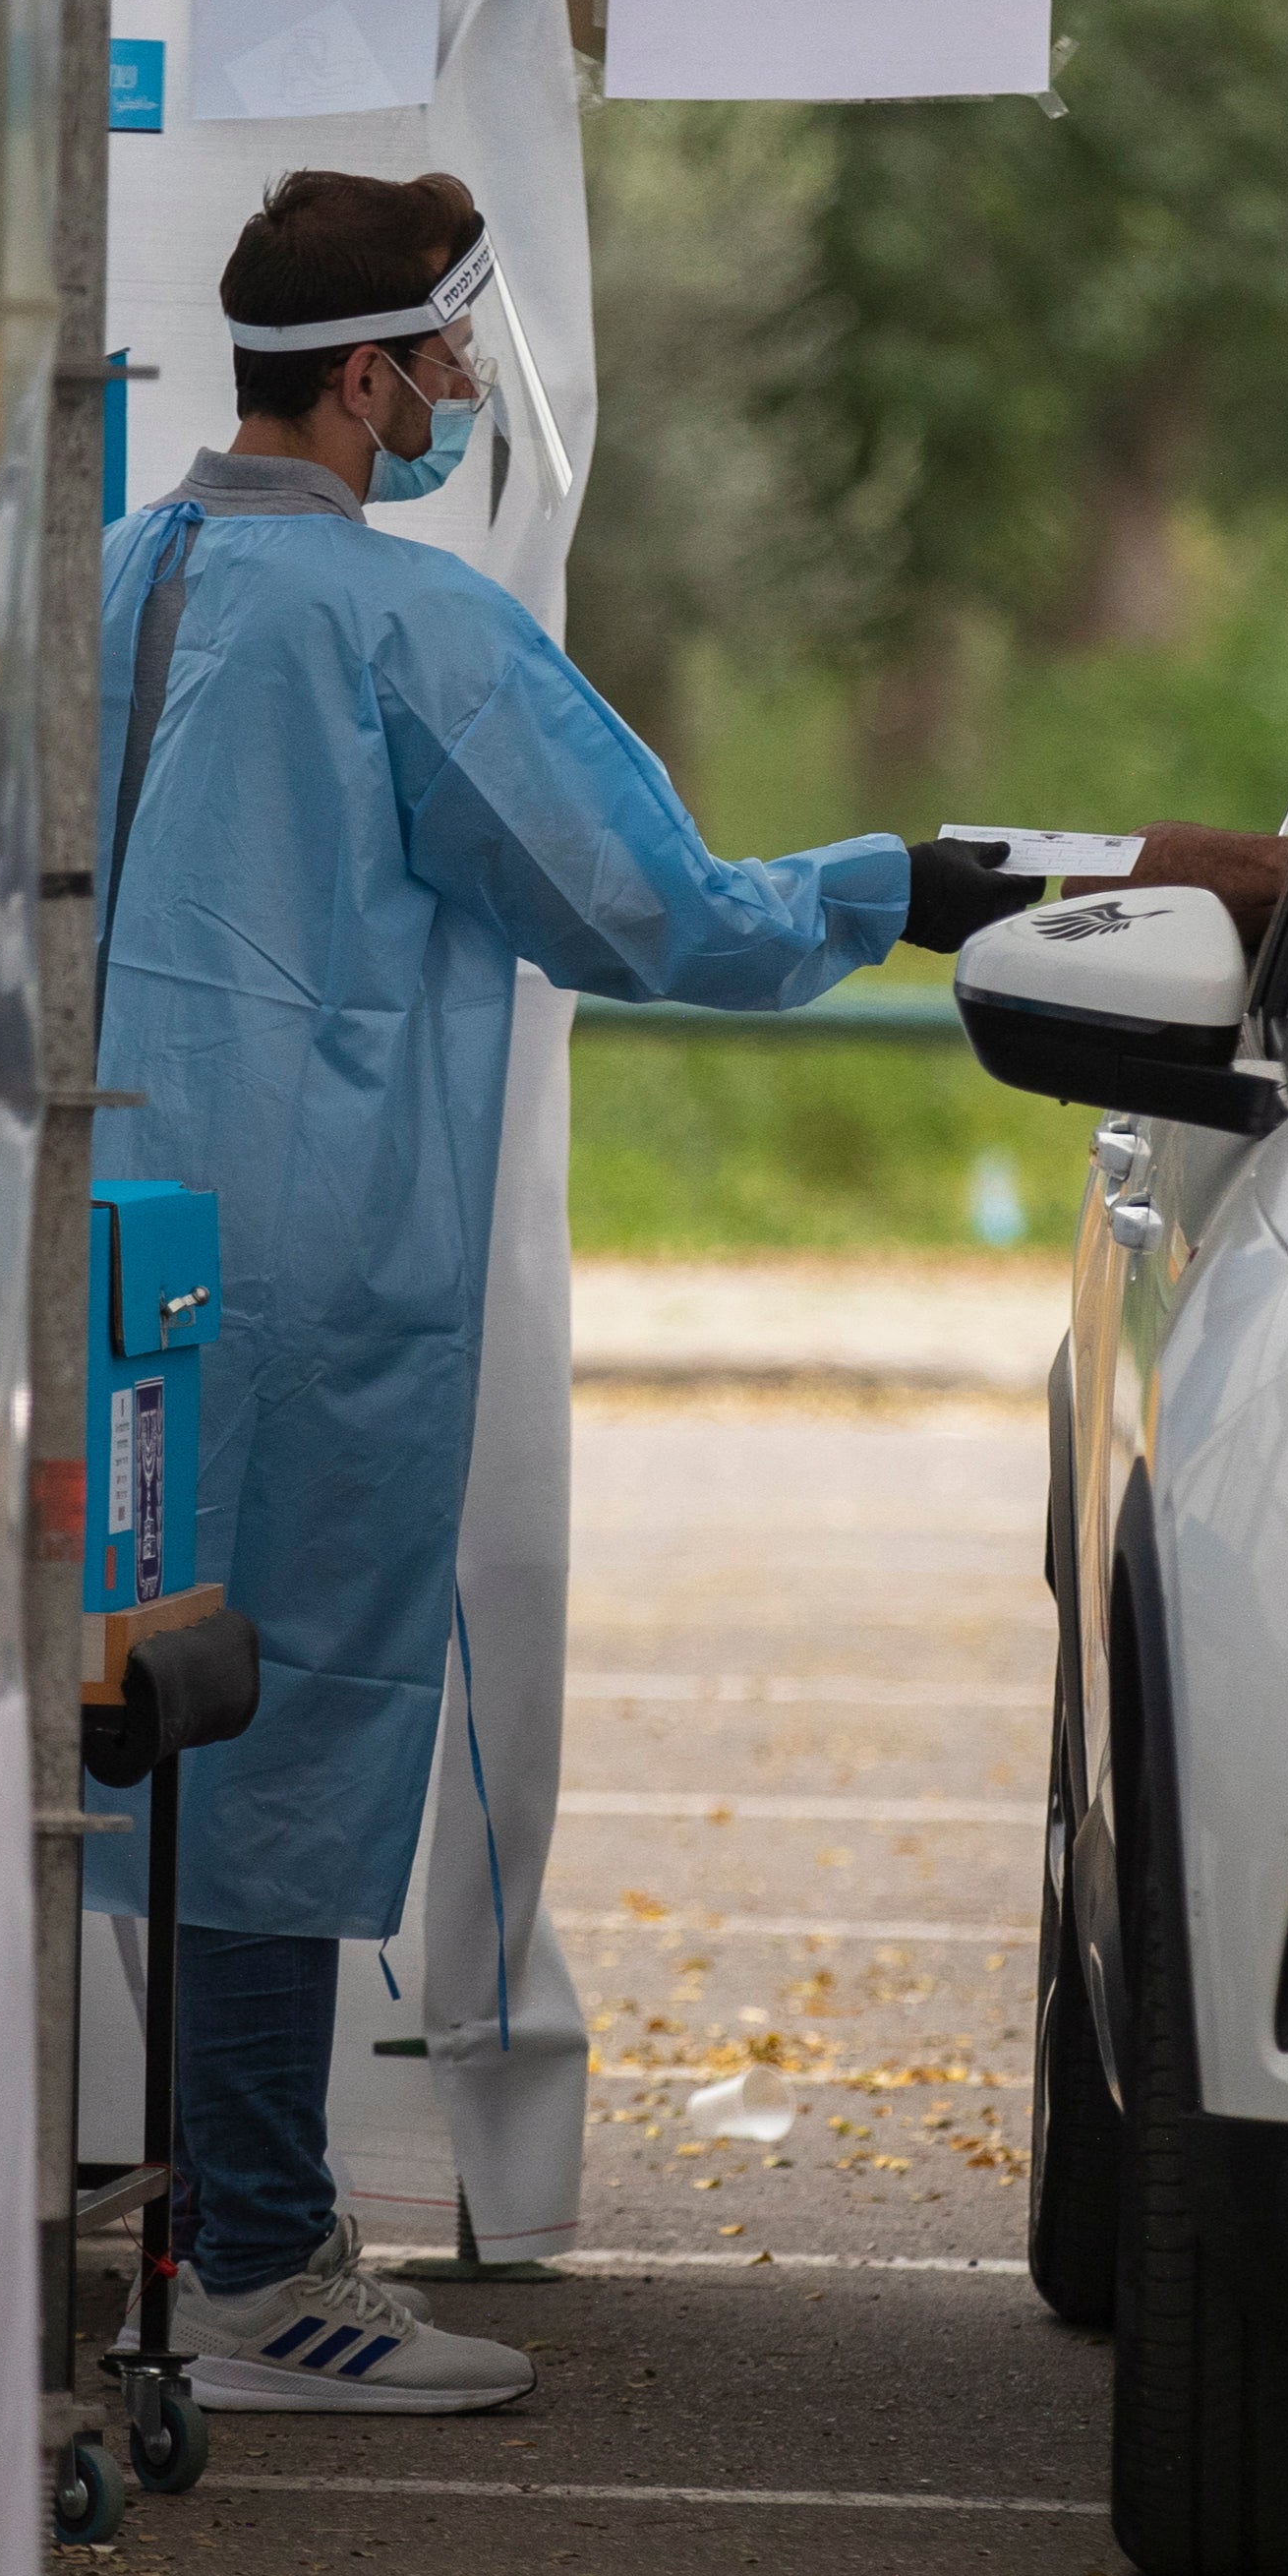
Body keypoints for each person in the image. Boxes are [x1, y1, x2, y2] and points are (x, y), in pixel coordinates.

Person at [85, 169, 1040, 2414]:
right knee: (284, 1730)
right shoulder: (405, 629)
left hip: (107, 1246)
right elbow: (659, 911)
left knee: (140, 1729)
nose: (445, 406)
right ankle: (255, 2264)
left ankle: (195, 2230)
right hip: (304, 1274)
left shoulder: (121, 572)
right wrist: (900, 878)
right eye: (436, 367)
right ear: (367, 374)